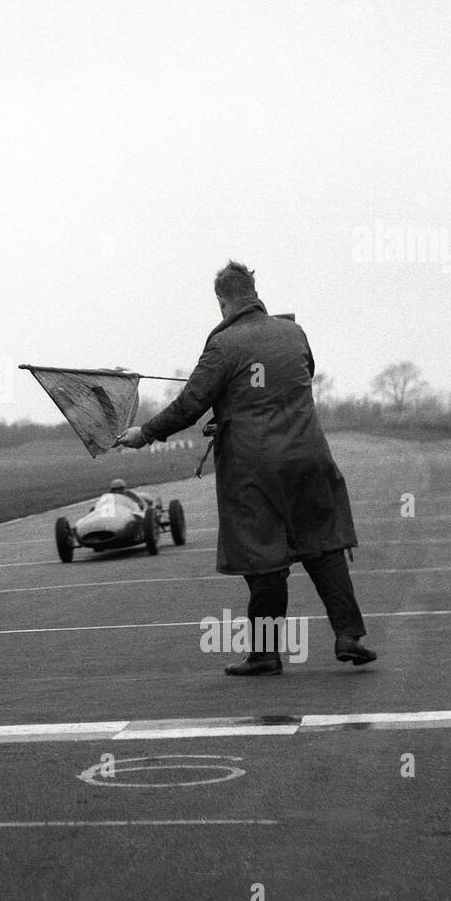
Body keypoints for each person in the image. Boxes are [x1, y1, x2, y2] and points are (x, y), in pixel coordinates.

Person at [117, 261, 375, 676]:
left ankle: (266, 653)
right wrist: (237, 405)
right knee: (324, 546)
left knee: (263, 556)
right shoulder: (295, 333)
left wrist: (144, 433)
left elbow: (189, 405)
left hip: (254, 468)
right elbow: (295, 379)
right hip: (309, 457)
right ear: (254, 291)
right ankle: (349, 636)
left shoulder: (222, 345)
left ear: (222, 301)